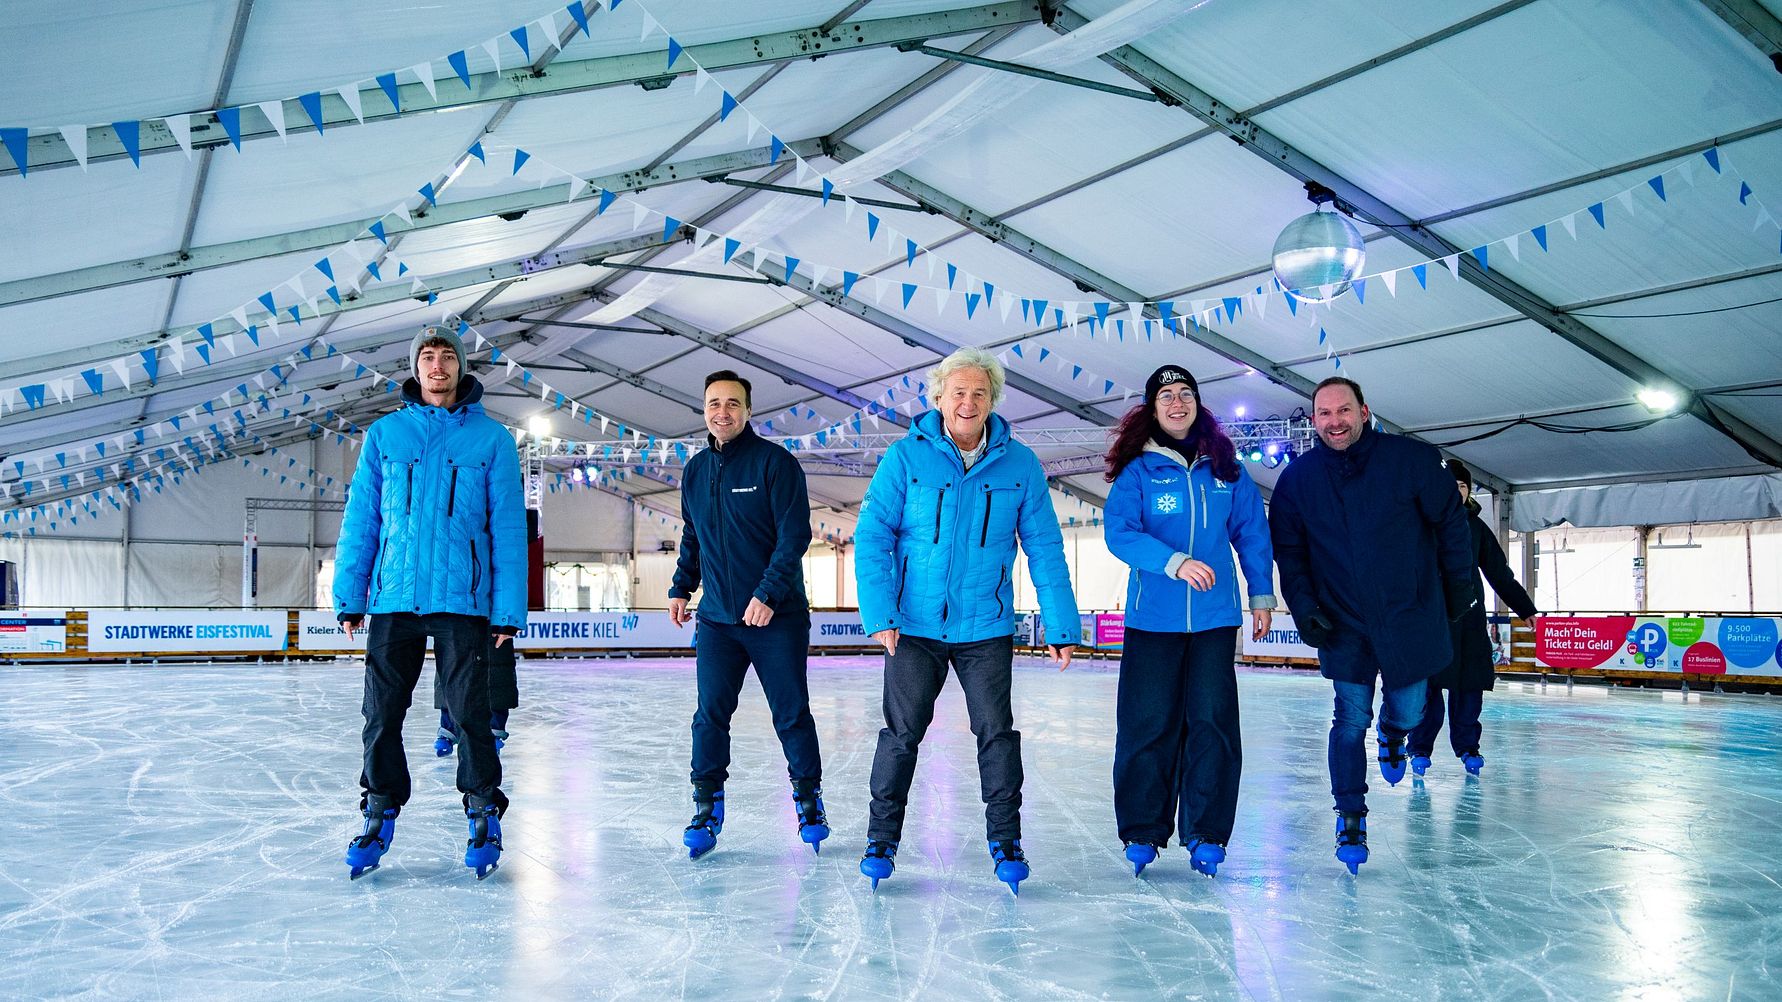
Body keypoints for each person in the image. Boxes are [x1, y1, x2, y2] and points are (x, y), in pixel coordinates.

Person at [853, 347, 1081, 895]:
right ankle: (881, 840)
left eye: (979, 392)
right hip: (914, 627)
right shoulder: (906, 459)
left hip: (987, 628)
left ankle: (1006, 840)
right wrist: (880, 612)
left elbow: (1045, 547)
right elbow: (872, 536)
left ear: (993, 401)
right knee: (901, 735)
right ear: (938, 398)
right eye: (958, 392)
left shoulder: (1020, 464)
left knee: (996, 734)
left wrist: (1062, 625)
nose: (968, 401)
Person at [333, 323, 527, 880]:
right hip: (394, 596)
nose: (437, 366)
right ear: (415, 369)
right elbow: (362, 519)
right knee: (381, 713)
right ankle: (379, 807)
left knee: (470, 715)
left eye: (446, 356)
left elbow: (507, 529)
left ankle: (484, 810)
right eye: (427, 357)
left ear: (460, 367)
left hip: (462, 602)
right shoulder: (384, 437)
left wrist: (507, 611)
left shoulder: (491, 441)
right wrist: (350, 593)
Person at [1268, 377, 1475, 874]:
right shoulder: (1298, 480)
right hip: (1342, 622)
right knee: (1348, 719)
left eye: (1344, 411)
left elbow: (1451, 526)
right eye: (1324, 414)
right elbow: (1290, 555)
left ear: (1364, 410)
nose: (1334, 421)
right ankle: (1351, 816)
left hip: (1409, 615)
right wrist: (1303, 605)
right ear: (1313, 420)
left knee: (1410, 708)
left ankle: (1394, 731)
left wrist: (1457, 591)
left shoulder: (1412, 462)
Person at [1102, 365, 1276, 879]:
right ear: (1152, 408)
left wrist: (1261, 594)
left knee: (1213, 725)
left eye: (1185, 395)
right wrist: (1173, 562)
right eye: (1166, 396)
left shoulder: (1227, 469)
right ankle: (1142, 829)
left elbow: (1251, 534)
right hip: (1152, 620)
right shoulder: (1138, 471)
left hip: (1215, 621)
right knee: (1147, 724)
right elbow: (1120, 533)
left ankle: (1206, 831)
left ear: (1198, 403)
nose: (1177, 403)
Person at [668, 370, 826, 859]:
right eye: (714, 403)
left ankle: (807, 798)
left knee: (790, 712)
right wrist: (681, 587)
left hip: (775, 618)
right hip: (717, 621)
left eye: (732, 403)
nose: (723, 412)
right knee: (710, 714)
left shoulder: (775, 465)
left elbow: (794, 536)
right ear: (704, 409)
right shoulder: (695, 471)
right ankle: (706, 803)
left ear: (749, 410)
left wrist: (767, 595)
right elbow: (693, 536)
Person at [1408, 460, 1539, 778]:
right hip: (1432, 623)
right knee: (1428, 694)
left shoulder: (1477, 529)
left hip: (1468, 621)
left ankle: (1468, 747)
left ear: (1468, 493)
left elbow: (1498, 572)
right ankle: (1420, 749)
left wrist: (1525, 608)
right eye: (1449, 487)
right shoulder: (1421, 526)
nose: (1455, 493)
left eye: (1462, 487)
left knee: (1468, 690)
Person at [434, 635, 518, 756]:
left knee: (495, 673)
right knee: (453, 670)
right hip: (460, 623)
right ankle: (449, 728)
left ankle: (493, 730)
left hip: (491, 627)